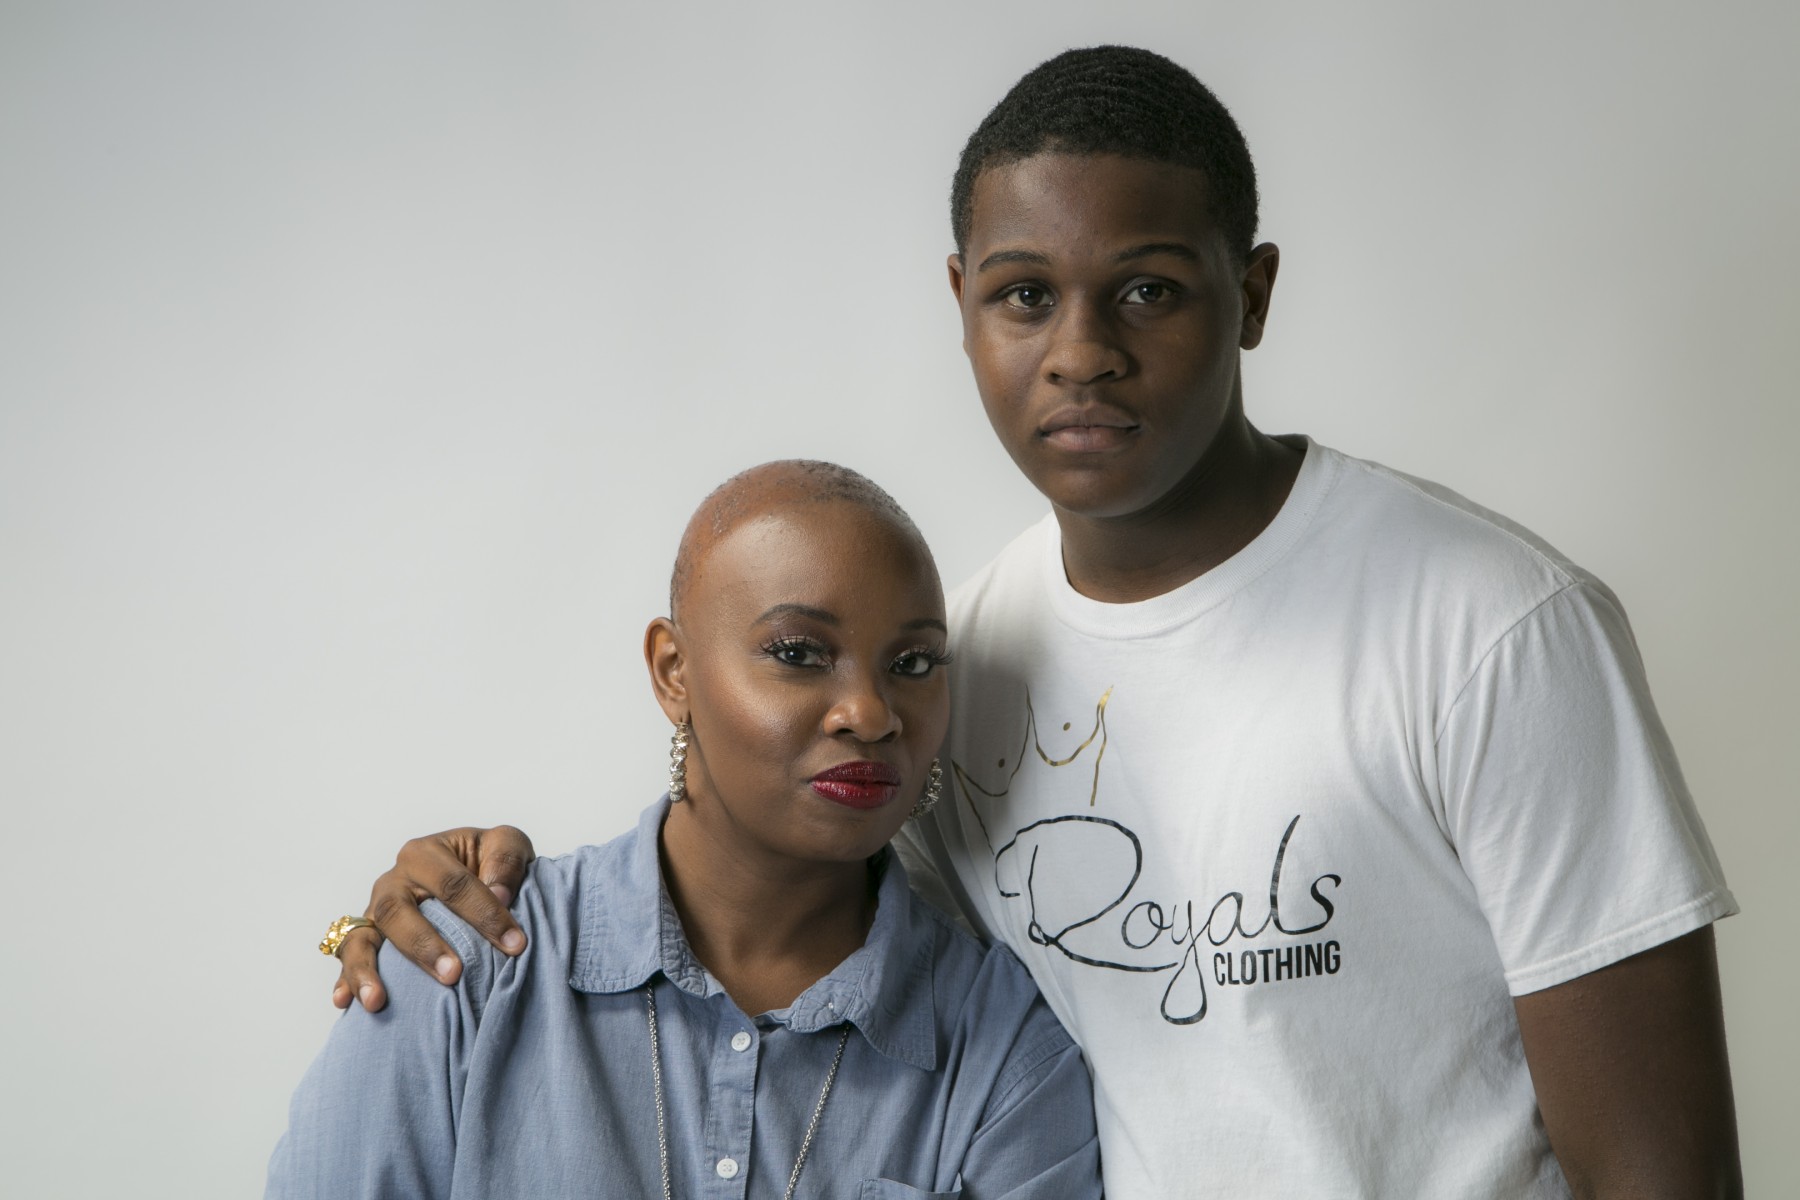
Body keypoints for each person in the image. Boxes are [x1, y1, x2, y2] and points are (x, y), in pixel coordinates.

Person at [329, 47, 1742, 1198]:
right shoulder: (963, 659)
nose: (1082, 353)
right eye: (1024, 296)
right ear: (963, 307)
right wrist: (456, 892)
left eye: (1149, 289)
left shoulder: (1492, 630)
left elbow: (1663, 1173)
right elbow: (800, 919)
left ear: (1251, 294)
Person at [270, 461, 1102, 1198]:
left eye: (912, 663)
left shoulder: (1004, 1049)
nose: (870, 712)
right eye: (799, 652)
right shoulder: (466, 963)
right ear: (674, 672)